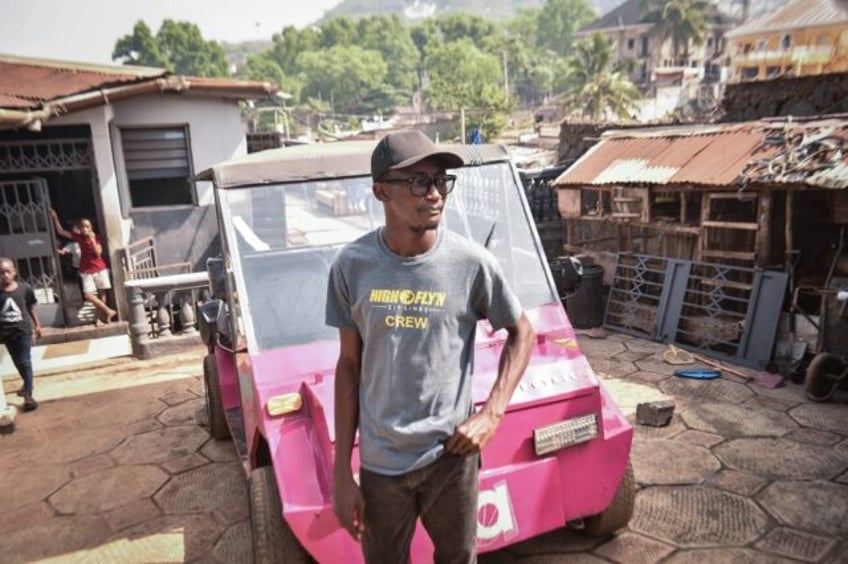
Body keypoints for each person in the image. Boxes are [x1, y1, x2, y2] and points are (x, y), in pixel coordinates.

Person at [326, 130, 535, 563]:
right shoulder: (351, 267)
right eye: (419, 182)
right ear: (381, 191)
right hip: (381, 465)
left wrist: (492, 413)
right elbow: (348, 366)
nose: (435, 193)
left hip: (451, 458)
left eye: (441, 180)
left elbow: (522, 332)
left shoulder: (471, 264)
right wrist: (342, 474)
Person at [50, 210, 117, 327]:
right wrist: (55, 218)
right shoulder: (78, 237)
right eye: (82, 227)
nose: (85, 229)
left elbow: (98, 254)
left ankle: (99, 318)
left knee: (102, 293)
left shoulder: (97, 238)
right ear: (79, 228)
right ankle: (108, 310)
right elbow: (61, 231)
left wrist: (92, 241)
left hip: (99, 268)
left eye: (87, 227)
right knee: (88, 295)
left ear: (91, 227)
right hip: (86, 270)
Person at [0, 257, 42, 411]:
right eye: (1, 273)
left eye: (7, 271)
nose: (4, 275)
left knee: (25, 361)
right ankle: (27, 384)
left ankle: (28, 396)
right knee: (18, 362)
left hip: (23, 331)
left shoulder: (25, 289)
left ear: (14, 272)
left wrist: (37, 325)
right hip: (6, 333)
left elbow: (31, 307)